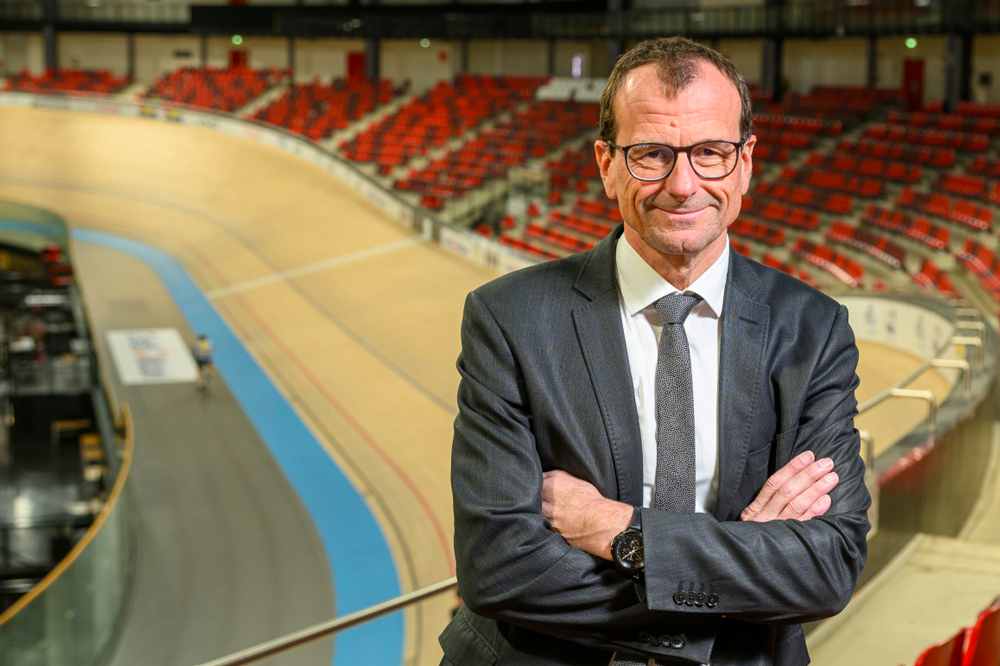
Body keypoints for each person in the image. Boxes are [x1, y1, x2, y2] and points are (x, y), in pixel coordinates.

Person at [440, 37, 870, 666]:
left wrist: (618, 531)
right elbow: (499, 568)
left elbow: (826, 567)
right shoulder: (509, 319)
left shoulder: (813, 329)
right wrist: (731, 576)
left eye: (711, 153)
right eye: (651, 154)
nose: (683, 183)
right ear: (606, 163)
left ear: (745, 162)